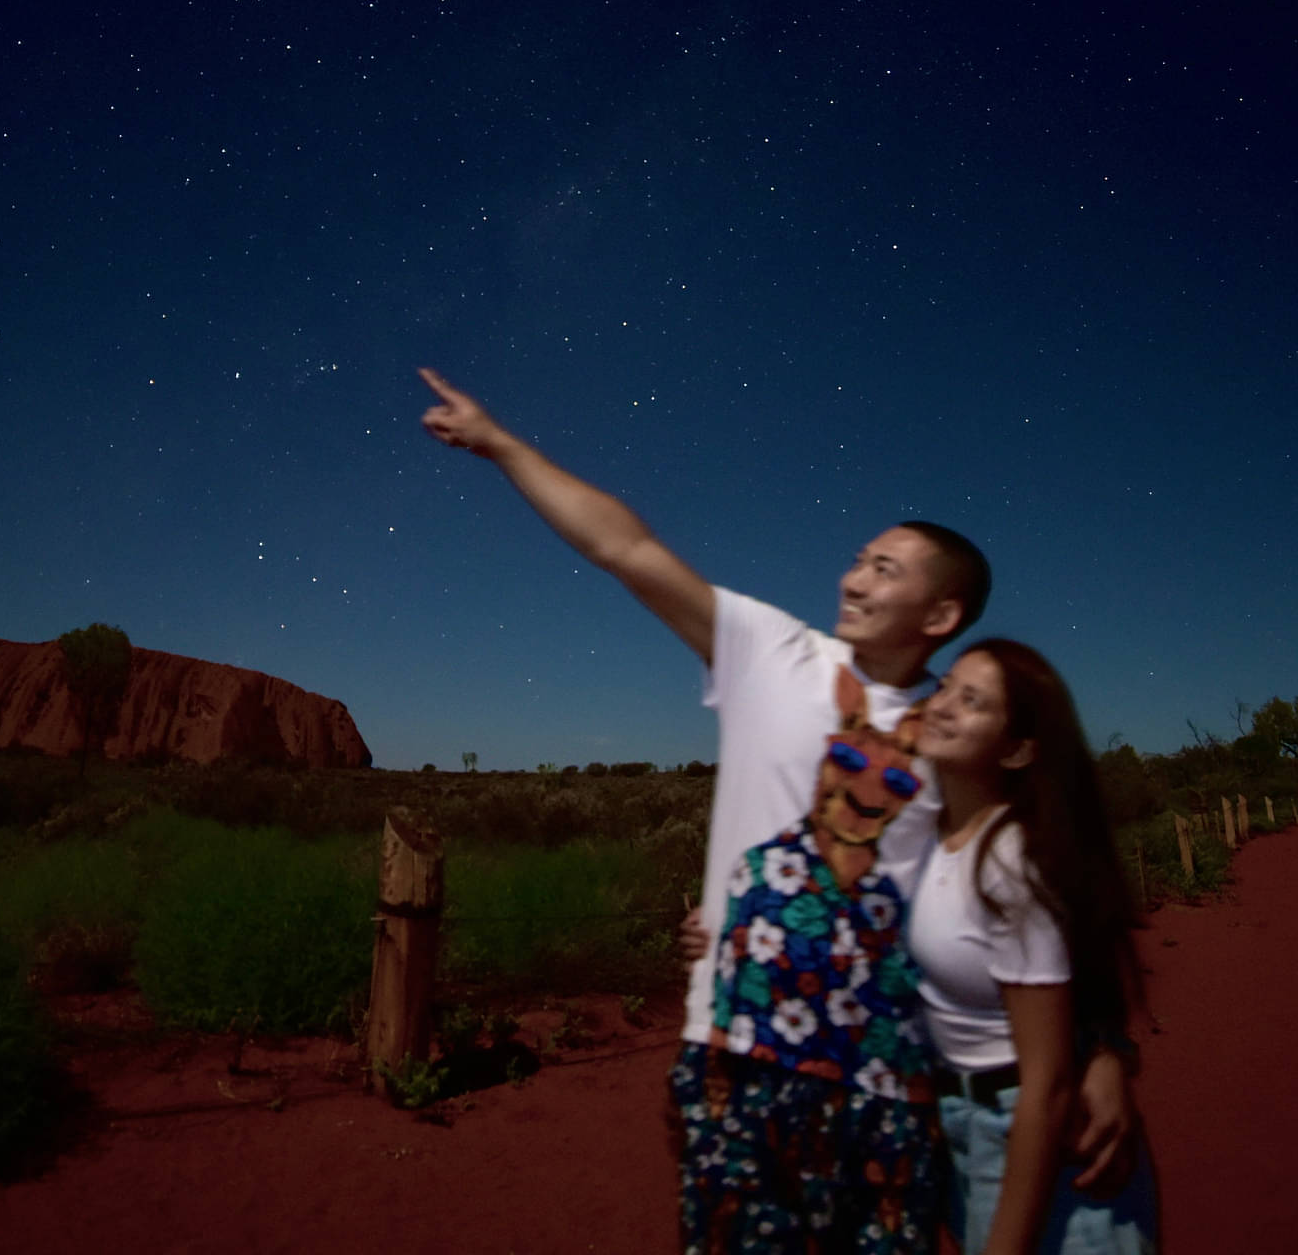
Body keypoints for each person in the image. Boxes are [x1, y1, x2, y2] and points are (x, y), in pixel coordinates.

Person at [414, 370, 1135, 1251]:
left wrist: (1100, 1047)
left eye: (884, 568)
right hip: (741, 1057)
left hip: (892, 1082)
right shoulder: (773, 652)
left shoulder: (959, 727)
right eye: (858, 558)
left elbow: (1039, 877)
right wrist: (502, 444)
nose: (853, 577)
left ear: (941, 612)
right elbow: (626, 548)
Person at [912, 639, 1157, 1255]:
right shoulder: (918, 829)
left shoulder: (1011, 865)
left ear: (1019, 749)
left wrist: (1101, 1050)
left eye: (972, 702)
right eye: (945, 686)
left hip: (1033, 1139)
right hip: (960, 1130)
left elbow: (1046, 1083)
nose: (940, 706)